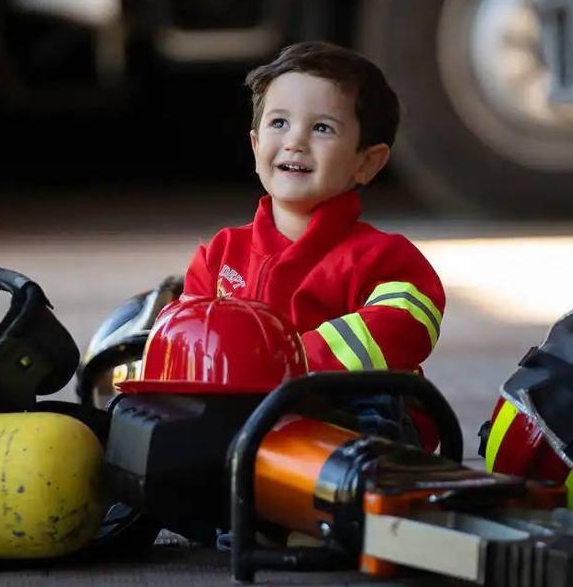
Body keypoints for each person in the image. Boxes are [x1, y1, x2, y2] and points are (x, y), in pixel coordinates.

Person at [180, 41, 446, 440]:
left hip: (347, 419)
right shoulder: (219, 255)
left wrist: (292, 361)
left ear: (367, 162)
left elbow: (406, 324)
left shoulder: (384, 257)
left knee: (368, 408)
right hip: (242, 418)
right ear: (255, 147)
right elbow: (188, 341)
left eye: (322, 128)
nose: (295, 141)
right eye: (279, 123)